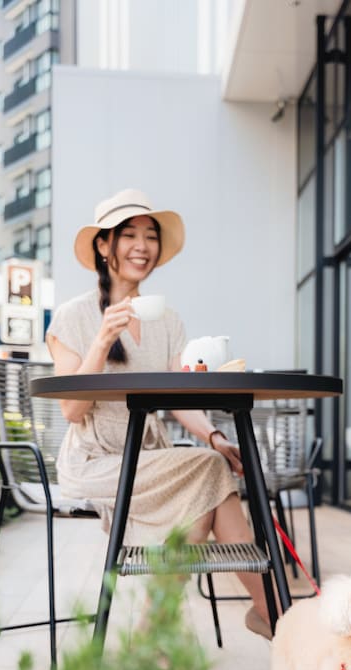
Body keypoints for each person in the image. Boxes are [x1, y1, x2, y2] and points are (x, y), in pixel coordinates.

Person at [45, 188, 272, 640]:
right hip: (96, 463)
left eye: (150, 236)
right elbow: (72, 410)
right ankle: (269, 611)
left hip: (150, 458)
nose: (142, 246)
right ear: (103, 246)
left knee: (208, 476)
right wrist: (101, 338)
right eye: (129, 235)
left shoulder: (168, 322)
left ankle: (164, 634)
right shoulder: (72, 318)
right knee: (207, 479)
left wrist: (214, 438)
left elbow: (178, 396)